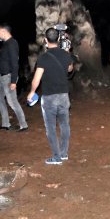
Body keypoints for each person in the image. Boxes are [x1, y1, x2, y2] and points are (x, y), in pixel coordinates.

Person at [27, 26, 75, 165]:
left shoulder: (43, 58)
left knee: (51, 128)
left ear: (45, 40)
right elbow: (70, 69)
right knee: (64, 125)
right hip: (64, 96)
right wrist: (67, 53)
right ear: (59, 39)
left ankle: (56, 157)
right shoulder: (66, 55)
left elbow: (37, 79)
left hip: (49, 97)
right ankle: (64, 153)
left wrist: (32, 91)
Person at [0, 24, 28, 131]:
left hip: (8, 76)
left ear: (3, 31)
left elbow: (15, 63)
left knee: (12, 101)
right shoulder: (7, 44)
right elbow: (5, 56)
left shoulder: (12, 43)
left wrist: (13, 81)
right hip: (1, 76)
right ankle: (6, 123)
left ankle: (23, 125)